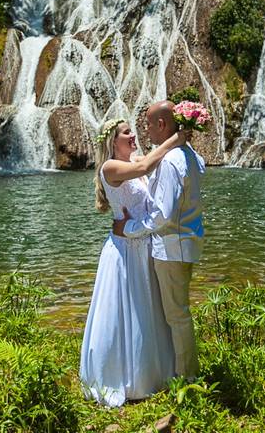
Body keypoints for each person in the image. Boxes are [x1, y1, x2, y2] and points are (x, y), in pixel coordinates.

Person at [79, 117, 187, 406]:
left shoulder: (136, 159)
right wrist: (175, 139)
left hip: (143, 245)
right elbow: (143, 167)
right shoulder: (110, 167)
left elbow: (149, 166)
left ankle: (152, 373)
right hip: (124, 250)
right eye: (127, 133)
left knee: (148, 309)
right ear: (113, 140)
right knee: (126, 311)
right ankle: (123, 377)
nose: (133, 136)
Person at [113, 100, 205, 380]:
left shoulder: (170, 162)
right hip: (186, 241)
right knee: (176, 312)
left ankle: (187, 379)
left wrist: (128, 228)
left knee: (176, 316)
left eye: (149, 124)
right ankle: (176, 371)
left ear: (162, 124)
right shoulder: (189, 154)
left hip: (171, 246)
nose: (145, 130)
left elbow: (162, 216)